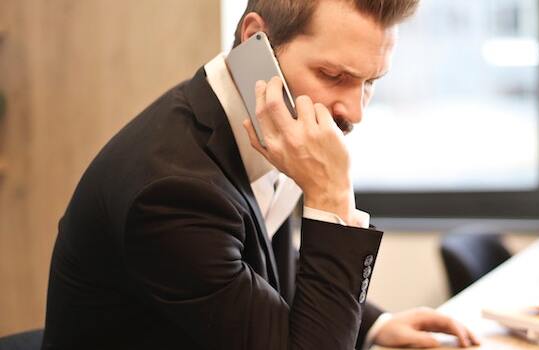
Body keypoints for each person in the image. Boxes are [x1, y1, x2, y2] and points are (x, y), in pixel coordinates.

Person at [42, 0, 480, 349]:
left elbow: (261, 270)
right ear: (257, 41)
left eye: (370, 82)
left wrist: (372, 324)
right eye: (333, 75)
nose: (355, 111)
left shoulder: (259, 123)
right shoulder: (173, 193)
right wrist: (331, 197)